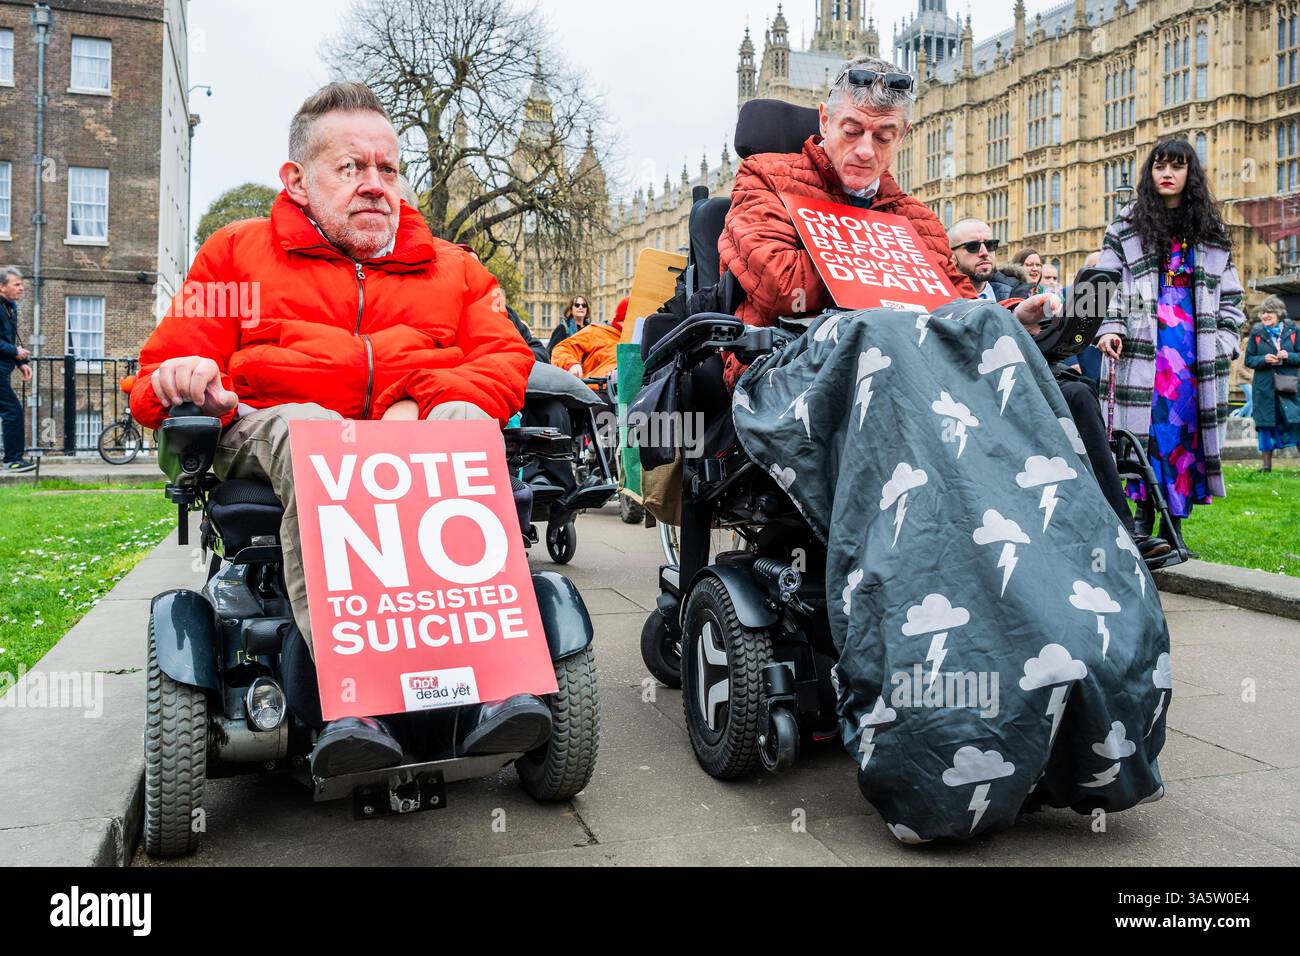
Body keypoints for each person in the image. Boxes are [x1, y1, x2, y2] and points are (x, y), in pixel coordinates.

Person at [130, 82, 543, 776]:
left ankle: (498, 689)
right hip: (275, 430)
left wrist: (415, 401)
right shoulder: (237, 254)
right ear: (297, 179)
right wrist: (181, 374)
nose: (375, 185)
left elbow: (506, 361)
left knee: (463, 421)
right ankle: (355, 700)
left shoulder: (458, 269)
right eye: (351, 168)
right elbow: (158, 374)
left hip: (409, 444)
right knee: (317, 430)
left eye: (388, 169)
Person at [717, 56, 1062, 386]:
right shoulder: (765, 177)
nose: (866, 150)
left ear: (902, 136)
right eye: (851, 131)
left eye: (883, 137)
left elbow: (958, 304)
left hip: (913, 367)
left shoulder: (917, 217)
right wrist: (892, 261)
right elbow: (780, 287)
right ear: (825, 120)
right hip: (784, 361)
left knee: (1065, 392)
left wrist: (1014, 316)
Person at [947, 220, 1157, 550]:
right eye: (972, 247)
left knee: (1081, 393)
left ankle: (1122, 530)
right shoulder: (942, 290)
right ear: (951, 254)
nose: (984, 252)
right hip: (974, 390)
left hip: (1027, 379)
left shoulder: (1011, 290)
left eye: (990, 244)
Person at [1095, 137, 1245, 549]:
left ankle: (1175, 524)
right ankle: (1143, 517)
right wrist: (1108, 327)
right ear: (1150, 173)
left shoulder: (1211, 233)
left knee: (1185, 433)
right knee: (1147, 431)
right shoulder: (1124, 228)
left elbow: (1231, 298)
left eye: (1176, 167)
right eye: (1160, 166)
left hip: (1196, 347)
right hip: (1144, 341)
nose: (1167, 173)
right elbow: (1101, 286)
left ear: (1188, 175)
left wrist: (1226, 342)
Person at [1243, 296, 1300, 471]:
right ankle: (1266, 466)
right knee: (1265, 424)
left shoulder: (1293, 331)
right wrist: (1264, 359)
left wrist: (1288, 356)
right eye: (1263, 312)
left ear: (1279, 314)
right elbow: (1249, 360)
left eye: (1270, 312)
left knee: (1295, 422)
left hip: (1288, 386)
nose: (1266, 315)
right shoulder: (1257, 332)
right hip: (1264, 387)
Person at [1, 267, 36, 472]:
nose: (22, 288)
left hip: (4, 368)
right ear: (1, 286)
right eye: (16, 284)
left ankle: (13, 458)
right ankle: (13, 460)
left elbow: (7, 339)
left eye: (21, 284)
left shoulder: (10, 306)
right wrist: (15, 351)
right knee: (12, 411)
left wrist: (21, 363)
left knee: (11, 411)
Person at [552, 296, 627, 386]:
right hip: (595, 389)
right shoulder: (594, 330)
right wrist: (571, 364)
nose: (581, 307)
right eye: (577, 305)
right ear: (570, 309)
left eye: (584, 305)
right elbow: (561, 348)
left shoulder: (635, 337)